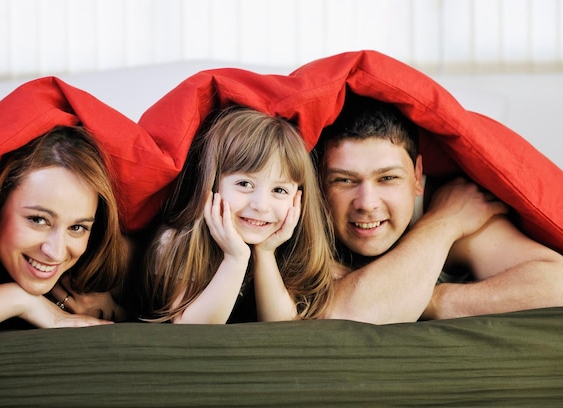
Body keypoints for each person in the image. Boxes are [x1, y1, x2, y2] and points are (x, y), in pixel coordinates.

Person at [315, 94, 563, 324]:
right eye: (344, 180)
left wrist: (435, 299)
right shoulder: (297, 216)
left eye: (388, 178)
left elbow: (557, 282)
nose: (367, 203)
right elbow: (346, 312)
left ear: (417, 175)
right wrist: (444, 223)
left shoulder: (462, 206)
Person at [140, 106, 335, 324]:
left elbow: (282, 332)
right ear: (212, 184)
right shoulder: (176, 241)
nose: (261, 205)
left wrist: (265, 253)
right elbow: (191, 333)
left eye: (279, 190)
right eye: (244, 184)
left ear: (297, 199)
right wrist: (235, 259)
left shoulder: (292, 249)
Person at [0, 125, 129, 341]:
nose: (55, 253)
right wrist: (20, 300)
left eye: (77, 228)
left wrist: (113, 310)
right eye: (38, 220)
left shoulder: (103, 263)